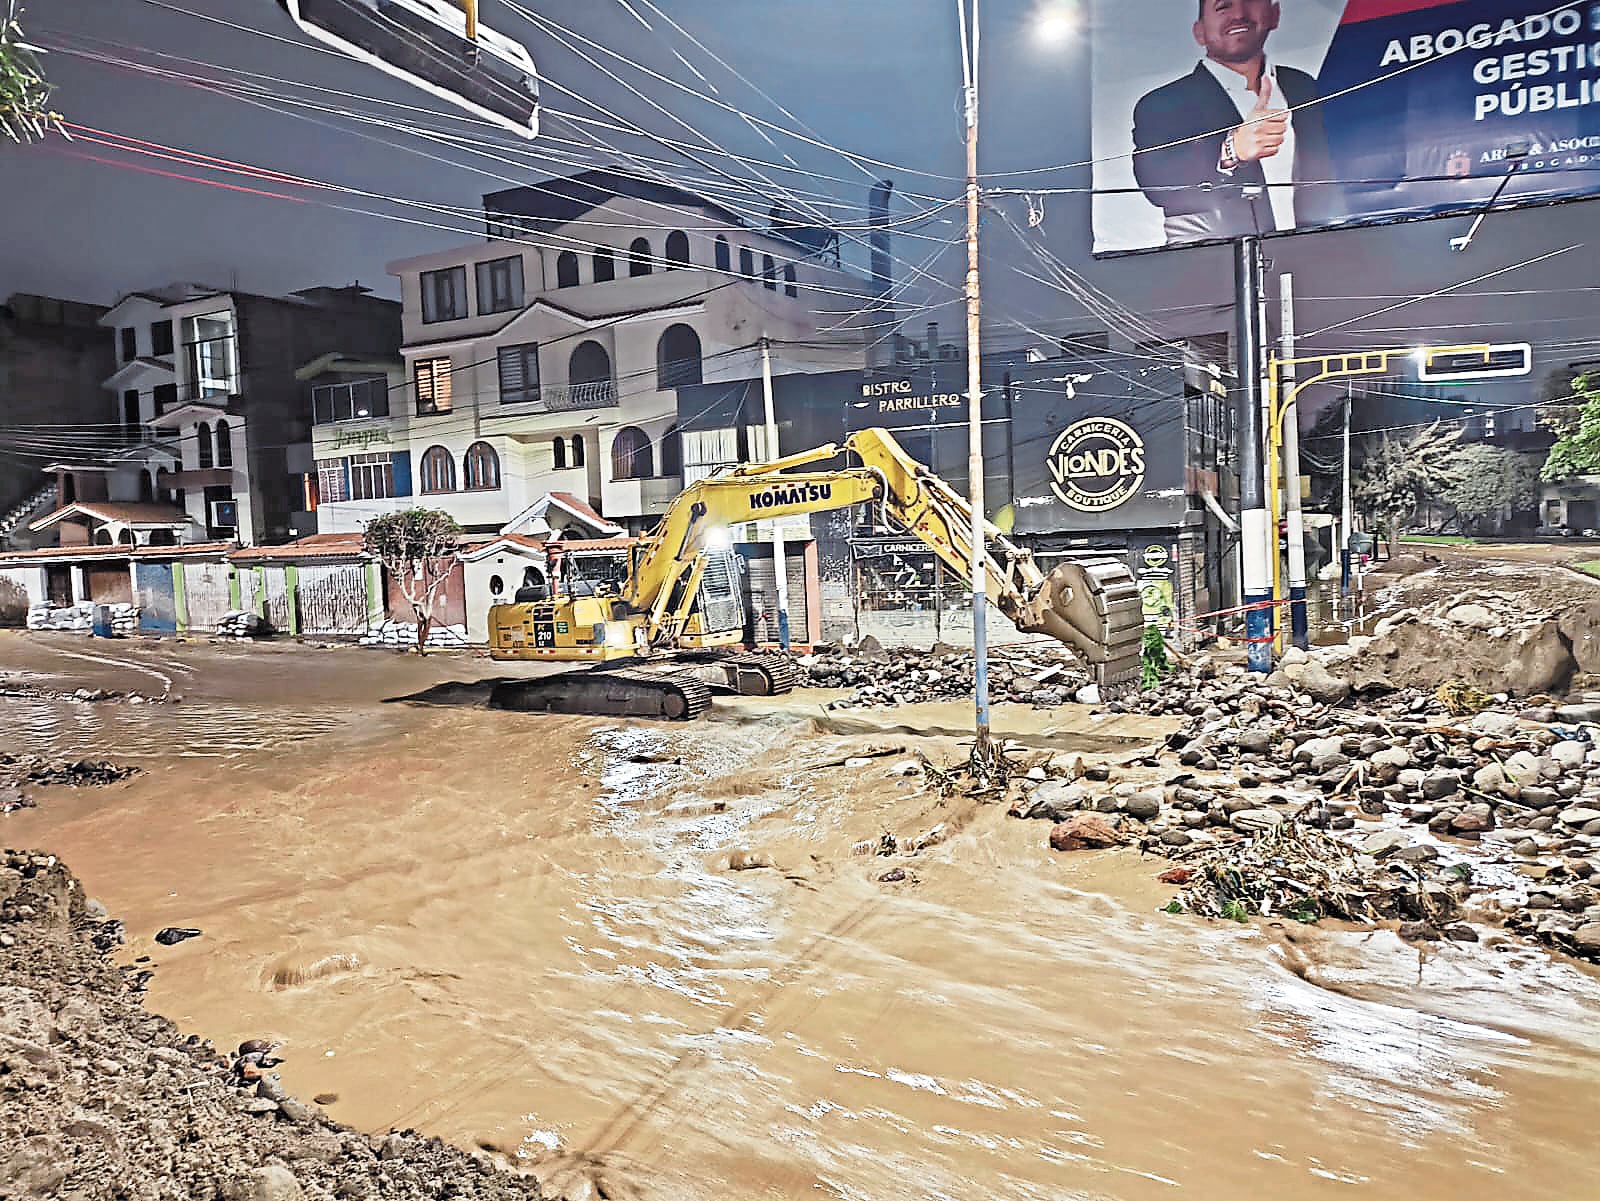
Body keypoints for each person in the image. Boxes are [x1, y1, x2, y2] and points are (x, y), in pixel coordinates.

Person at [1131, 0, 1341, 244]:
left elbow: (1329, 174)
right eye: (1223, 6)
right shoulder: (1163, 102)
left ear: (1274, 14)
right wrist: (1230, 150)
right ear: (1199, 32)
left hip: (1310, 255)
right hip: (1213, 264)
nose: (1239, 14)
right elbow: (1155, 183)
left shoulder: (1302, 86)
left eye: (1250, 1)